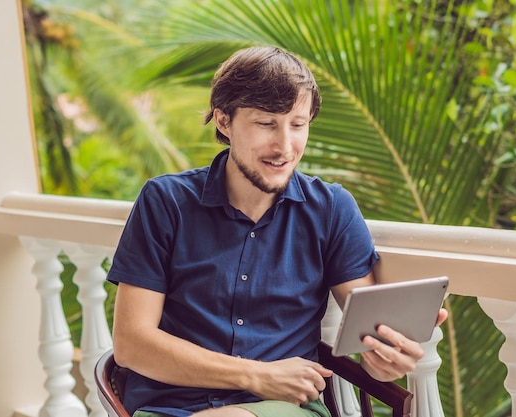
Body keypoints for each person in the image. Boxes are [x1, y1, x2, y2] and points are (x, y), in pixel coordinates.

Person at [107, 45, 447, 417]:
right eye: (267, 124)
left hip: (281, 408)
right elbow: (132, 344)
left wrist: (385, 358)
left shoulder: (332, 209)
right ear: (224, 121)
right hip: (169, 405)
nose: (284, 146)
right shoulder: (165, 201)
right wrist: (255, 375)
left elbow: (368, 331)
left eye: (298, 125)